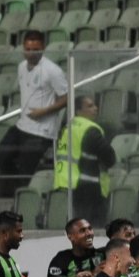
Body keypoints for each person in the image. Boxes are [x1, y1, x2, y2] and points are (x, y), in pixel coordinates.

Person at [0, 30, 69, 194]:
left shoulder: (53, 71)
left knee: (25, 169)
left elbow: (66, 98)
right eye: (28, 49)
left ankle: (21, 200)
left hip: (41, 131)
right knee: (0, 157)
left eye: (35, 49)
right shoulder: (21, 67)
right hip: (22, 125)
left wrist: (44, 111)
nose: (31, 53)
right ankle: (12, 192)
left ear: (43, 48)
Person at [53, 95, 116, 228]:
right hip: (89, 186)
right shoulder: (90, 130)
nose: (95, 108)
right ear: (78, 111)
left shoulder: (67, 128)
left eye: (94, 105)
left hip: (68, 183)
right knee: (92, 228)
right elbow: (110, 158)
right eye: (90, 106)